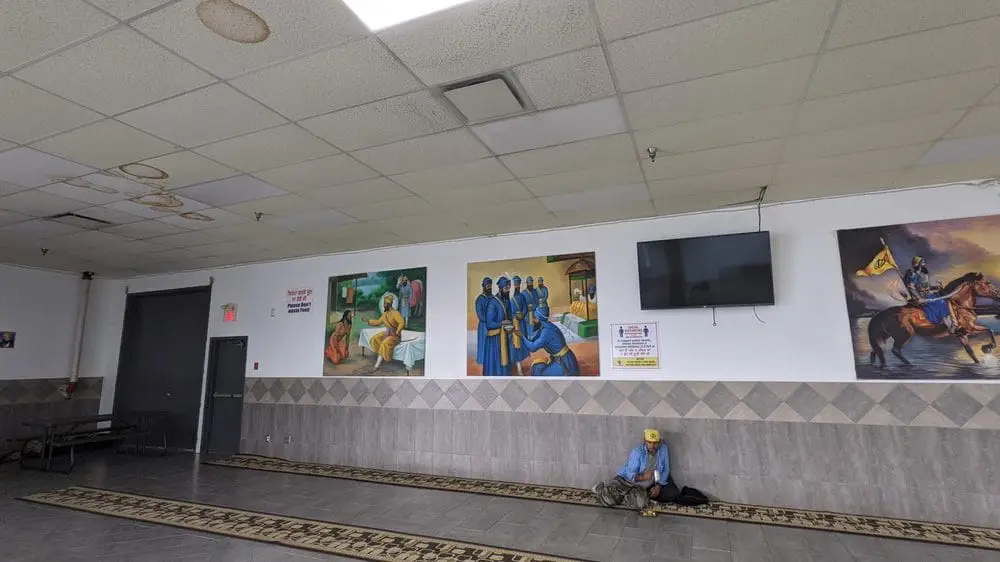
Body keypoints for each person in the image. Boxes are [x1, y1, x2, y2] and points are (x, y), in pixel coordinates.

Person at [593, 429, 679, 511]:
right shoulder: (637, 452)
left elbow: (665, 470)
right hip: (626, 480)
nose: (652, 445)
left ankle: (622, 496)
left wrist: (658, 486)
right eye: (649, 442)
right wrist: (643, 477)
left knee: (641, 503)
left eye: (655, 442)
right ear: (645, 441)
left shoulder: (663, 449)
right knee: (608, 501)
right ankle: (600, 488)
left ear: (659, 442)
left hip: (640, 486)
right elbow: (630, 474)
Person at [515, 309, 579, 376]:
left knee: (538, 373)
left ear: (540, 319)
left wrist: (522, 336)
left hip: (564, 362)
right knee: (536, 367)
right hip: (560, 359)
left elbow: (533, 347)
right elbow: (533, 341)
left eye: (535, 318)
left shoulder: (546, 332)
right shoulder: (545, 327)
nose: (533, 320)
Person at [903, 256, 956, 333]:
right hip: (921, 297)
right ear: (918, 264)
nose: (925, 263)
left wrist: (936, 287)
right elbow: (911, 287)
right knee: (940, 303)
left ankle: (951, 325)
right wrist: (919, 298)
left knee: (944, 301)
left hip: (928, 294)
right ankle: (950, 327)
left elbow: (926, 287)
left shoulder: (923, 274)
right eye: (923, 261)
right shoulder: (912, 274)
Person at [482, 277, 515, 376]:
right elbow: (489, 324)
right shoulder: (493, 303)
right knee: (496, 367)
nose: (508, 291)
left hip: (504, 337)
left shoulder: (506, 301)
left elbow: (509, 317)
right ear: (500, 289)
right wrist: (502, 323)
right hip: (494, 340)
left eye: (509, 288)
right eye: (506, 288)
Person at [365, 294, 405, 372]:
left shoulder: (395, 313)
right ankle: (382, 353)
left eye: (385, 304)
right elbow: (378, 322)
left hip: (395, 336)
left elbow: (402, 322)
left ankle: (377, 365)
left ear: (388, 305)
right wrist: (368, 321)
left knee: (384, 343)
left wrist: (397, 331)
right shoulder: (385, 314)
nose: (383, 305)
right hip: (387, 334)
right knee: (375, 338)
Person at [509, 276, 530, 368]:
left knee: (521, 343)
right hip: (512, 324)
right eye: (515, 285)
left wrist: (522, 314)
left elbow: (525, 307)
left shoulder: (521, 296)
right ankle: (513, 363)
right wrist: (514, 316)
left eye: (518, 285)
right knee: (512, 344)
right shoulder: (509, 297)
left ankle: (519, 364)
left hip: (521, 324)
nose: (517, 286)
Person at [475, 277, 492, 366]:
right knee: (484, 344)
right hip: (484, 326)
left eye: (490, 285)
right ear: (483, 286)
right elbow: (480, 315)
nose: (489, 287)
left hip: (493, 325)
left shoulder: (494, 298)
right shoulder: (479, 299)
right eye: (487, 285)